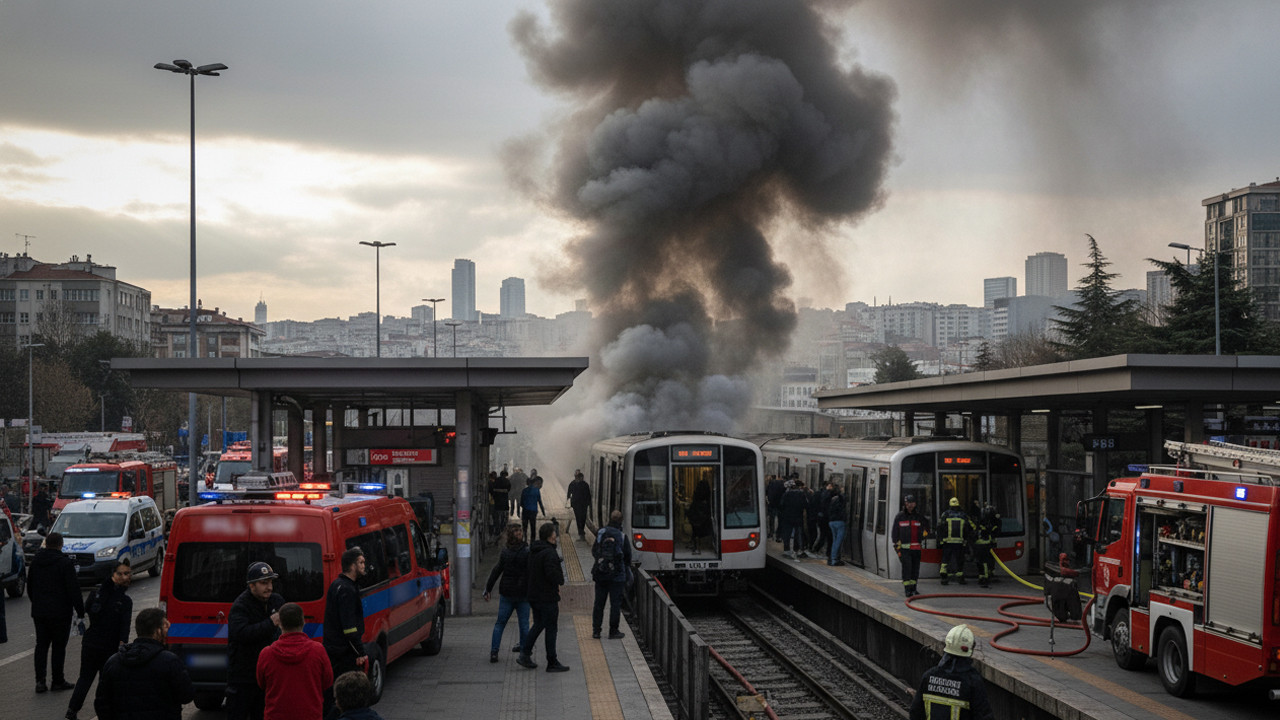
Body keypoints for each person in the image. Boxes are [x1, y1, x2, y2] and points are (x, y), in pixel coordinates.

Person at [93, 607, 195, 720]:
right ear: (158, 631)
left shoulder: (113, 662)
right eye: (166, 626)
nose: (168, 631)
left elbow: (102, 703)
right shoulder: (169, 661)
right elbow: (186, 695)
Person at [66, 558, 134, 720]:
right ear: (112, 575)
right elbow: (125, 626)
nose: (126, 577)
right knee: (105, 681)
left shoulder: (95, 594)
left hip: (90, 642)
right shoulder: (125, 601)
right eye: (121, 574)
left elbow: (85, 612)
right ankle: (104, 711)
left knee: (85, 677)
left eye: (128, 573)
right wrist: (122, 644)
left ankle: (72, 710)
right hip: (109, 646)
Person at [226, 561, 285, 720]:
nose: (269, 587)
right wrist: (270, 623)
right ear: (251, 586)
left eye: (271, 582)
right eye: (264, 583)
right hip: (244, 676)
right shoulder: (241, 606)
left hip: (268, 675)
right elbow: (241, 634)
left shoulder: (276, 601)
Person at [28, 530, 85, 693]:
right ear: (61, 545)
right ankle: (57, 680)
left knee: (41, 645)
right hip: (60, 612)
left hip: (40, 612)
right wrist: (80, 611)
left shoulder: (36, 562)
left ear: (46, 543)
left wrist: (37, 603)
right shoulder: (65, 564)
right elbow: (73, 589)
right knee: (59, 647)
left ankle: (40, 681)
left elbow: (30, 586)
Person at [257, 602, 333, 720]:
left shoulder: (266, 654)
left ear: (280, 624)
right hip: (310, 715)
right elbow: (327, 681)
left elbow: (262, 683)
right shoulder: (317, 651)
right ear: (303, 622)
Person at [908, 624, 994, 720]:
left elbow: (915, 713)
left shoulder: (929, 676)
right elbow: (984, 716)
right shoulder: (972, 681)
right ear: (970, 649)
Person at [517, 522, 568, 673]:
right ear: (550, 536)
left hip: (533, 595)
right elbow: (552, 575)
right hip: (547, 597)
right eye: (554, 533)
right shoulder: (550, 553)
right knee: (551, 628)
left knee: (538, 624)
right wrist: (560, 578)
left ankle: (525, 654)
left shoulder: (533, 550)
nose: (556, 535)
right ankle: (551, 662)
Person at [484, 522, 531, 662]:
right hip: (523, 594)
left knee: (500, 623)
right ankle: (524, 651)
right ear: (520, 535)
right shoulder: (527, 551)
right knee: (524, 624)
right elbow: (531, 573)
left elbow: (496, 571)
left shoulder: (505, 552)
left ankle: (494, 652)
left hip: (507, 593)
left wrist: (488, 588)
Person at [591, 509, 632, 640]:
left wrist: (603, 562)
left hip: (601, 574)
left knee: (599, 604)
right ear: (621, 521)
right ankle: (613, 631)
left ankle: (596, 631)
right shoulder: (622, 536)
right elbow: (627, 556)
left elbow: (594, 551)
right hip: (617, 576)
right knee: (615, 604)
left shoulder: (601, 532)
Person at [892, 495, 930, 598]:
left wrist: (923, 536)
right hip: (905, 549)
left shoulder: (918, 517)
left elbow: (927, 527)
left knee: (915, 570)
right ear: (905, 504)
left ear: (915, 504)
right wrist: (896, 545)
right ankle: (907, 590)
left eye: (912, 503)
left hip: (916, 549)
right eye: (908, 503)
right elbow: (895, 533)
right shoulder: (899, 517)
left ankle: (914, 588)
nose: (910, 505)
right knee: (907, 569)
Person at [939, 497, 972, 585]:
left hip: (947, 542)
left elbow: (940, 527)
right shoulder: (963, 515)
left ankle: (944, 577)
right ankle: (960, 577)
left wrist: (941, 540)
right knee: (960, 560)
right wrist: (966, 540)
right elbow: (969, 527)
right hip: (959, 542)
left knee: (945, 560)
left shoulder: (945, 514)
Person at [778, 478, 809, 559]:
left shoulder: (786, 494)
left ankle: (787, 550)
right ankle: (799, 551)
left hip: (787, 517)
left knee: (787, 534)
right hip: (798, 517)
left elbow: (781, 505)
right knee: (799, 534)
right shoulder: (801, 494)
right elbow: (806, 505)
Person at [972, 505, 1000, 588]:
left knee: (981, 562)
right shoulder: (992, 523)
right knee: (985, 562)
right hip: (987, 545)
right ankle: (985, 576)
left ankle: (983, 576)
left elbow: (975, 532)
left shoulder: (980, 523)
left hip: (980, 545)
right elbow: (994, 533)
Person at [687, 480, 713, 554]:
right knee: (700, 532)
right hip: (703, 519)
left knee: (695, 532)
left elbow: (692, 507)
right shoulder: (708, 496)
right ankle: (699, 547)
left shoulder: (697, 495)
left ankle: (695, 546)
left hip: (695, 518)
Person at [825, 483, 847, 567]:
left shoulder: (832, 499)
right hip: (840, 522)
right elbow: (843, 499)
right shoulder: (840, 499)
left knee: (834, 541)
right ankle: (834, 559)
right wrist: (842, 492)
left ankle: (834, 558)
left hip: (831, 522)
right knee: (838, 541)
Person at [566, 470, 592, 540]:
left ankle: (581, 532)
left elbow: (568, 494)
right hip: (578, 504)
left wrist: (569, 501)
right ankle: (581, 532)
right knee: (580, 518)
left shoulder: (574, 484)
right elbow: (569, 494)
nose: (581, 479)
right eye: (580, 477)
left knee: (581, 518)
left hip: (580, 504)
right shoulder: (583, 484)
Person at [519, 475, 545, 541]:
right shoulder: (536, 490)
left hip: (525, 511)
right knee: (533, 527)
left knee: (525, 527)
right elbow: (540, 502)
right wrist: (543, 511)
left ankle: (525, 540)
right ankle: (532, 541)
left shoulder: (524, 490)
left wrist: (525, 506)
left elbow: (521, 502)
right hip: (533, 512)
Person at [810, 480, 833, 556]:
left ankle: (815, 548)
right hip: (825, 518)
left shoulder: (817, 493)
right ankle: (821, 550)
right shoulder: (827, 494)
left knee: (822, 535)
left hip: (819, 517)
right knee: (826, 536)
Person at [490, 470, 511, 536]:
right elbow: (508, 489)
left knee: (497, 517)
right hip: (504, 502)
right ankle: (502, 528)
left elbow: (492, 490)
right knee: (503, 516)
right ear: (506, 475)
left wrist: (495, 494)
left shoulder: (496, 480)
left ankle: (497, 530)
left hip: (497, 502)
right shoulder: (507, 481)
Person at [764, 474, 784, 541]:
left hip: (772, 505)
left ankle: (771, 534)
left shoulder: (770, 484)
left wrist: (768, 501)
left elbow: (766, 493)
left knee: (771, 519)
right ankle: (779, 535)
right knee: (780, 520)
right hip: (780, 505)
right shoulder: (782, 484)